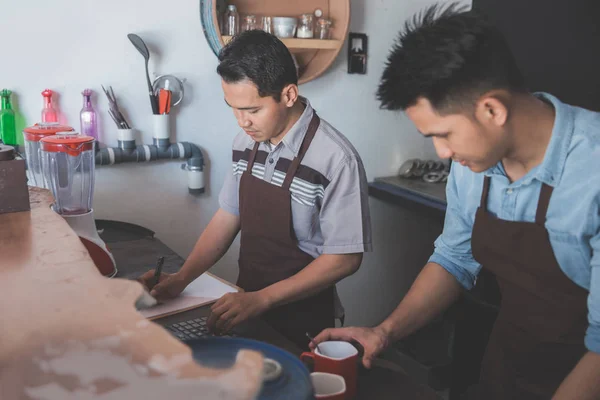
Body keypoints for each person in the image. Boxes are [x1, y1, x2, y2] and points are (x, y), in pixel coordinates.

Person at [311, 3, 600, 399]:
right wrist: (383, 332)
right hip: (506, 370)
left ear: (492, 109)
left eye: (444, 134)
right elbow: (454, 260)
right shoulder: (474, 163)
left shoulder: (593, 171)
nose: (442, 153)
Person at [139, 30, 372, 349]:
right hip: (247, 305)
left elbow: (345, 258)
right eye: (233, 108)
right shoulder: (245, 144)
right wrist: (181, 279)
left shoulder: (335, 159)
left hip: (303, 320)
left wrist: (263, 300)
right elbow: (228, 216)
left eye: (252, 110)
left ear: (288, 95)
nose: (241, 122)